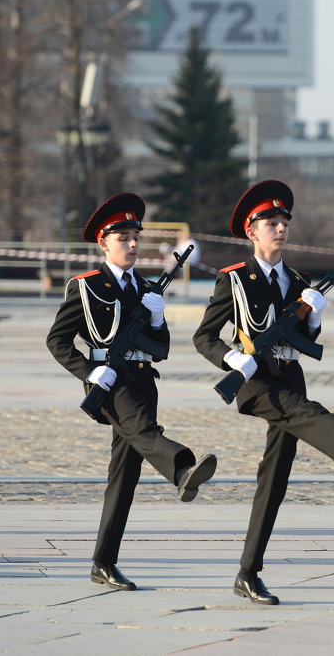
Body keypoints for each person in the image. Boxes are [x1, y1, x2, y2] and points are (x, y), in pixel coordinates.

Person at [193, 179, 334, 606]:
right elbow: (204, 337)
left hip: (289, 376)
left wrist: (313, 316)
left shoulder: (298, 279)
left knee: (275, 477)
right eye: (270, 222)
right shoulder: (233, 280)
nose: (280, 227)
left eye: (283, 221)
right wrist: (233, 360)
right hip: (254, 381)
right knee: (309, 413)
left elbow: (306, 338)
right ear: (252, 232)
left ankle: (248, 572)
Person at [46, 192, 217, 592]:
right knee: (144, 433)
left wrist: (157, 318)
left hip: (142, 382)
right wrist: (89, 372)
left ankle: (103, 562)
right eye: (122, 237)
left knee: (123, 477)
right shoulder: (85, 286)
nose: (132, 244)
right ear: (104, 243)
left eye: (135, 236)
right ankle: (181, 468)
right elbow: (57, 341)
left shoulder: (145, 287)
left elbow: (161, 350)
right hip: (111, 384)